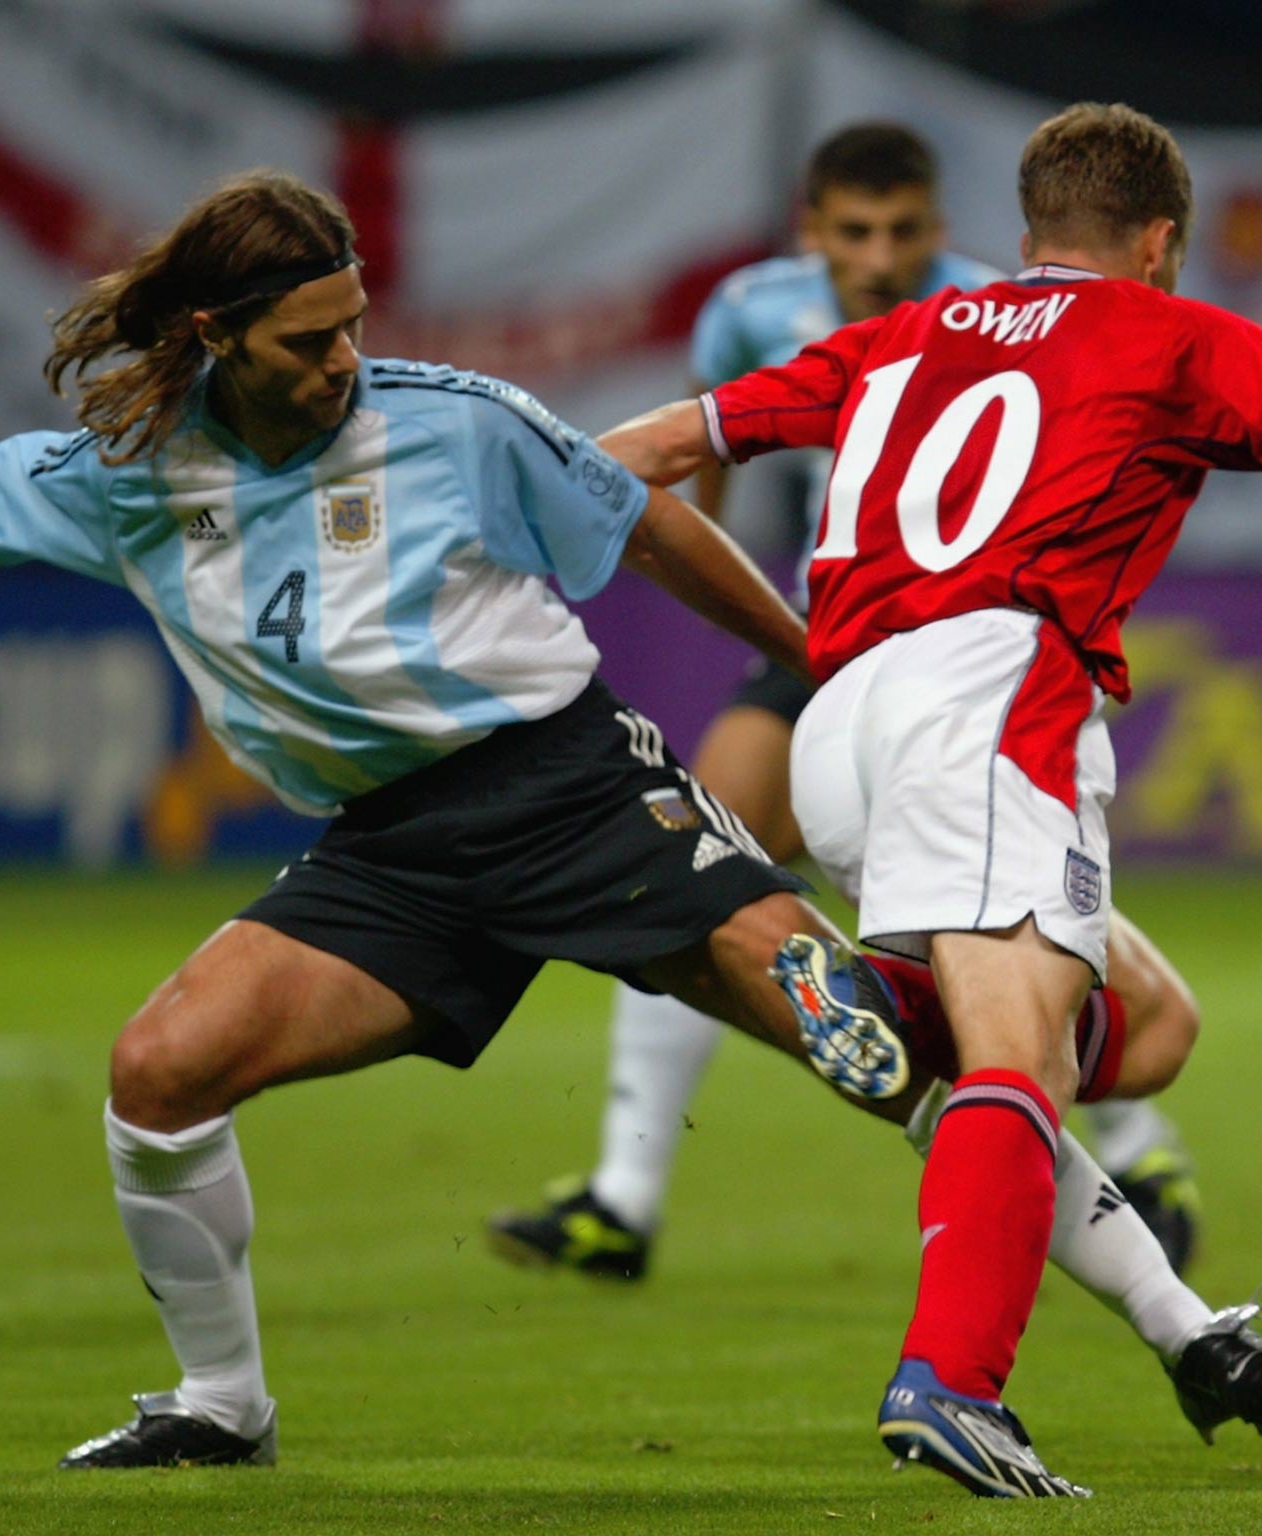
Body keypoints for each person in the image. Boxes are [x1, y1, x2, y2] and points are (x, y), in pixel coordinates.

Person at [0, 169, 940, 1472]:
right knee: (158, 1073)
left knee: (865, 1044)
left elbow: (651, 525)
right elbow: (8, 503)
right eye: (310, 339)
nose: (345, 360)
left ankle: (1181, 1322)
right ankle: (223, 1406)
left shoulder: (453, 420)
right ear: (216, 336)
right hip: (394, 850)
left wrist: (819, 654)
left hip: (571, 788)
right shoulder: (144, 461)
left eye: (355, 323)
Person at [601, 102, 1262, 1498]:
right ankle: (953, 1383)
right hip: (994, 692)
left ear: (1028, 229)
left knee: (1143, 1029)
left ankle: (906, 1029)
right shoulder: (1182, 335)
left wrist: (482, 510)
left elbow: (661, 445)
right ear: (1161, 240)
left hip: (837, 719)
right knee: (1022, 1060)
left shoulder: (901, 334)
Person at [489, 122, 1202, 1286]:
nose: (879, 255)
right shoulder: (747, 313)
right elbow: (697, 486)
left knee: (991, 924)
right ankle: (622, 1196)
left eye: (903, 230)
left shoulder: (991, 307)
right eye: (854, 232)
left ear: (942, 228)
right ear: (811, 230)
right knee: (698, 857)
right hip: (844, 628)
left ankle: (1129, 1142)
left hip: (981, 641)